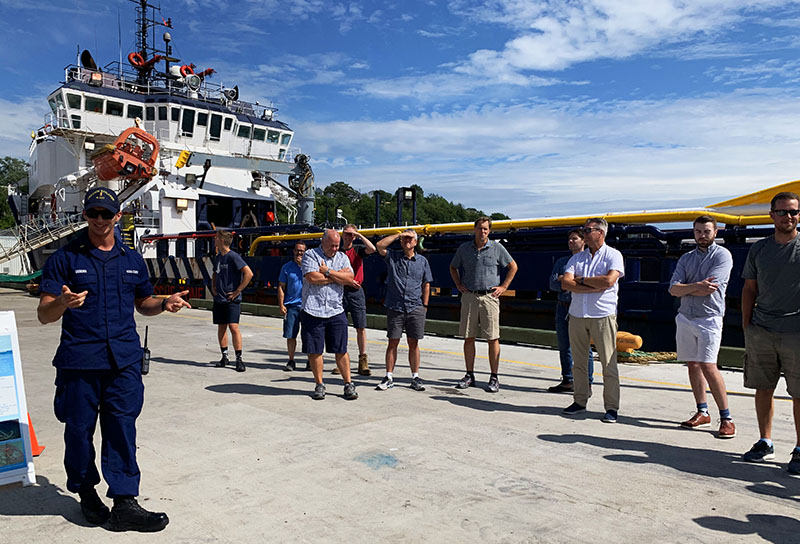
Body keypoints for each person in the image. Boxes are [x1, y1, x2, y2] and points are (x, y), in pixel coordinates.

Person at [37, 187, 191, 532]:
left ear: (118, 216)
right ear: (86, 215)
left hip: (123, 360)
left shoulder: (132, 259)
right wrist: (63, 303)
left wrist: (165, 303)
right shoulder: (65, 258)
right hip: (80, 361)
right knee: (78, 430)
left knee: (122, 428)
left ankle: (124, 502)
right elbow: (44, 314)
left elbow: (144, 304)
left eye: (107, 214)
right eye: (94, 213)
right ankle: (86, 491)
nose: (100, 220)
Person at [740, 191, 800, 472]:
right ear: (771, 215)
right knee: (763, 389)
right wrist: (747, 326)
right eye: (783, 211)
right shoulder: (759, 249)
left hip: (796, 333)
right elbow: (749, 288)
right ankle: (765, 441)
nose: (789, 217)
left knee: (799, 393)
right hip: (762, 330)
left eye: (794, 212)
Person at [669, 215, 735, 438]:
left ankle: (726, 418)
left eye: (706, 231)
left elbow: (712, 289)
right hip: (686, 316)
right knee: (692, 365)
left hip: (709, 318)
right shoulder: (686, 258)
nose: (702, 235)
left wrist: (685, 288)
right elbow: (673, 289)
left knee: (708, 365)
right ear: (693, 232)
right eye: (698, 231)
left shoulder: (723, 256)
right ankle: (702, 412)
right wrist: (696, 285)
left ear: (715, 232)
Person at [561, 218, 624, 423]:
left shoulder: (613, 255)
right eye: (584, 230)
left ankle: (611, 407)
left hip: (602, 316)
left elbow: (608, 281)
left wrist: (582, 280)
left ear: (601, 232)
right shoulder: (577, 258)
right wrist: (592, 285)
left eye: (588, 230)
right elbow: (566, 284)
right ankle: (580, 400)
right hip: (578, 315)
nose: (585, 234)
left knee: (608, 363)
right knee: (578, 362)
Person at [449, 216, 518, 392]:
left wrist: (503, 287)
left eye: (486, 229)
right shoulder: (465, 248)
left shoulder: (496, 248)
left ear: (490, 230)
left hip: (489, 297)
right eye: (480, 228)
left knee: (492, 338)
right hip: (470, 296)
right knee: (468, 336)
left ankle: (494, 376)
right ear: (475, 229)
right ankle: (469, 374)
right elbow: (453, 267)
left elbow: (513, 266)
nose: (482, 232)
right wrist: (458, 284)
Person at [301, 229, 359, 400]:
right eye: (331, 245)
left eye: (337, 245)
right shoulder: (310, 255)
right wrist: (339, 276)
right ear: (323, 242)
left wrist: (327, 272)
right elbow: (312, 278)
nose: (335, 249)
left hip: (335, 310)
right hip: (313, 309)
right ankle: (319, 384)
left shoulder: (342, 257)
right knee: (315, 350)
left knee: (341, 349)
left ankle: (348, 384)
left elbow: (350, 277)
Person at [375, 229, 433, 391]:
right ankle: (388, 376)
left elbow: (426, 283)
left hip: (415, 306)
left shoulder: (422, 261)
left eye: (410, 239)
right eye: (405, 239)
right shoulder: (393, 257)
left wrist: (425, 305)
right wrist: (398, 234)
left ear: (415, 242)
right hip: (396, 306)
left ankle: (415, 376)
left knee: (413, 343)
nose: (407, 241)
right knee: (393, 341)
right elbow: (379, 245)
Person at [548, 228, 595, 393]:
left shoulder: (588, 261)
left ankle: (587, 383)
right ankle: (568, 379)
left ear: (583, 241)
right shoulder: (562, 262)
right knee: (564, 346)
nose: (571, 242)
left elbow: (591, 284)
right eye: (569, 239)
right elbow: (552, 284)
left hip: (580, 308)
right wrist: (572, 283)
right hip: (562, 307)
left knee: (584, 348)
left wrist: (567, 280)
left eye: (575, 239)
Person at [336, 224, 376, 376]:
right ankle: (341, 359)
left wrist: (360, 236)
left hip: (356, 292)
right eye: (346, 234)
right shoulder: (337, 251)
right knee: (340, 326)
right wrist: (346, 280)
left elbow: (372, 249)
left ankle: (362, 359)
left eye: (351, 235)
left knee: (360, 327)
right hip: (340, 291)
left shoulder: (358, 250)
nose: (348, 237)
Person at [211, 230, 253, 373]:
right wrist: (214, 288)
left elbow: (249, 273)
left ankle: (239, 359)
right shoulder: (218, 258)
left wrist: (237, 291)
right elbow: (214, 274)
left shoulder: (234, 257)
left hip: (231, 299)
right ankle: (224, 356)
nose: (214, 239)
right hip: (219, 299)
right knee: (221, 327)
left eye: (216, 237)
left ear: (222, 240)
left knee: (233, 327)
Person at [278, 241, 306, 371]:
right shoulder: (286, 267)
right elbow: (281, 287)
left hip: (307, 307)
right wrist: (281, 304)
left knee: (309, 335)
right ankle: (291, 360)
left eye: (302, 251)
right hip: (292, 306)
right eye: (297, 250)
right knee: (291, 335)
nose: (299, 253)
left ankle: (310, 360)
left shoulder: (309, 267)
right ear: (293, 251)